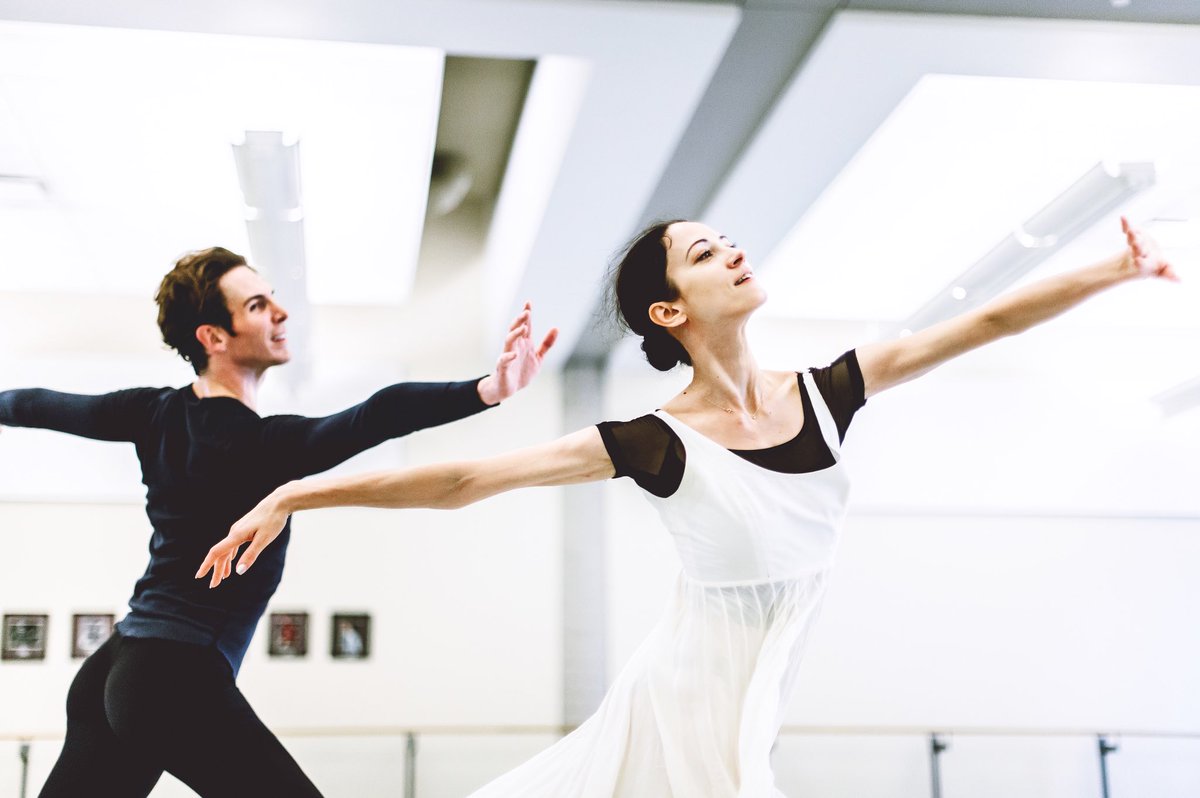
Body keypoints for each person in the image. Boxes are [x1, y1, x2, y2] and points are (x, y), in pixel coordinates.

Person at [200, 218, 1175, 796]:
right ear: (670, 310)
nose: (733, 255)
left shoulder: (831, 390)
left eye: (728, 243)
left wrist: (1112, 268)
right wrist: (297, 490)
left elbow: (983, 322)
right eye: (706, 255)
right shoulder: (655, 440)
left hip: (761, 691)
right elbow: (464, 482)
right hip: (682, 700)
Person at [0, 246, 557, 798]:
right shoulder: (264, 444)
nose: (282, 313)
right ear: (213, 337)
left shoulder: (151, 413)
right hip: (172, 676)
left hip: (112, 670)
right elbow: (380, 413)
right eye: (259, 306)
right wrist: (487, 390)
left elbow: (37, 404)